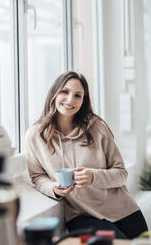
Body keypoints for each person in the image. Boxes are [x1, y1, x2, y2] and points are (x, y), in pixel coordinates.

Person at [23, 71, 148, 239]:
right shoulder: (35, 135)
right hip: (81, 215)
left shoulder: (98, 127)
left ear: (83, 100)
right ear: (54, 93)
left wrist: (93, 177)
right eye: (65, 92)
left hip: (123, 209)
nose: (70, 100)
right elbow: (37, 176)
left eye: (77, 95)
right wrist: (53, 188)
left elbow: (121, 174)